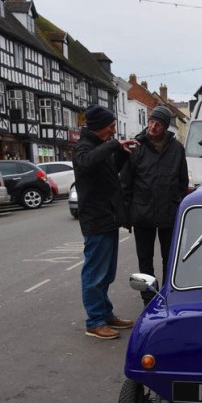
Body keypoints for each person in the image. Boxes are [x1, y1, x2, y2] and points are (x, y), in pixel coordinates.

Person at [73, 104, 139, 339]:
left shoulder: (99, 146)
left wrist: (121, 153)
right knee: (95, 273)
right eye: (111, 127)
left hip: (108, 218)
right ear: (99, 126)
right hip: (96, 220)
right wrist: (113, 145)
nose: (113, 131)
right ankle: (94, 321)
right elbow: (86, 163)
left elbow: (110, 171)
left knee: (106, 273)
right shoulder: (84, 146)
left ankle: (105, 314)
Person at [121, 105, 189, 306]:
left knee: (170, 258)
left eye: (158, 123)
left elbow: (182, 180)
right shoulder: (137, 147)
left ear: (166, 126)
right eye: (151, 122)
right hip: (143, 213)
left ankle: (168, 294)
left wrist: (176, 201)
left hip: (169, 212)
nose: (153, 126)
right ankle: (149, 299)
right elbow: (126, 182)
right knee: (145, 260)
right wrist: (127, 215)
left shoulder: (177, 149)